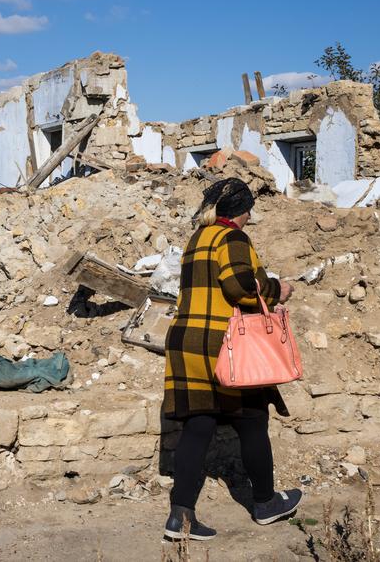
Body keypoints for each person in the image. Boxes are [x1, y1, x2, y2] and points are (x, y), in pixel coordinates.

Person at [162, 177, 300, 541]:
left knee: (199, 425)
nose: (251, 216)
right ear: (242, 211)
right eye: (250, 209)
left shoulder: (198, 238)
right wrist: (277, 290)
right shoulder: (233, 237)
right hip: (224, 344)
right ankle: (266, 502)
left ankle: (181, 518)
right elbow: (239, 286)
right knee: (253, 421)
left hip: (187, 341)